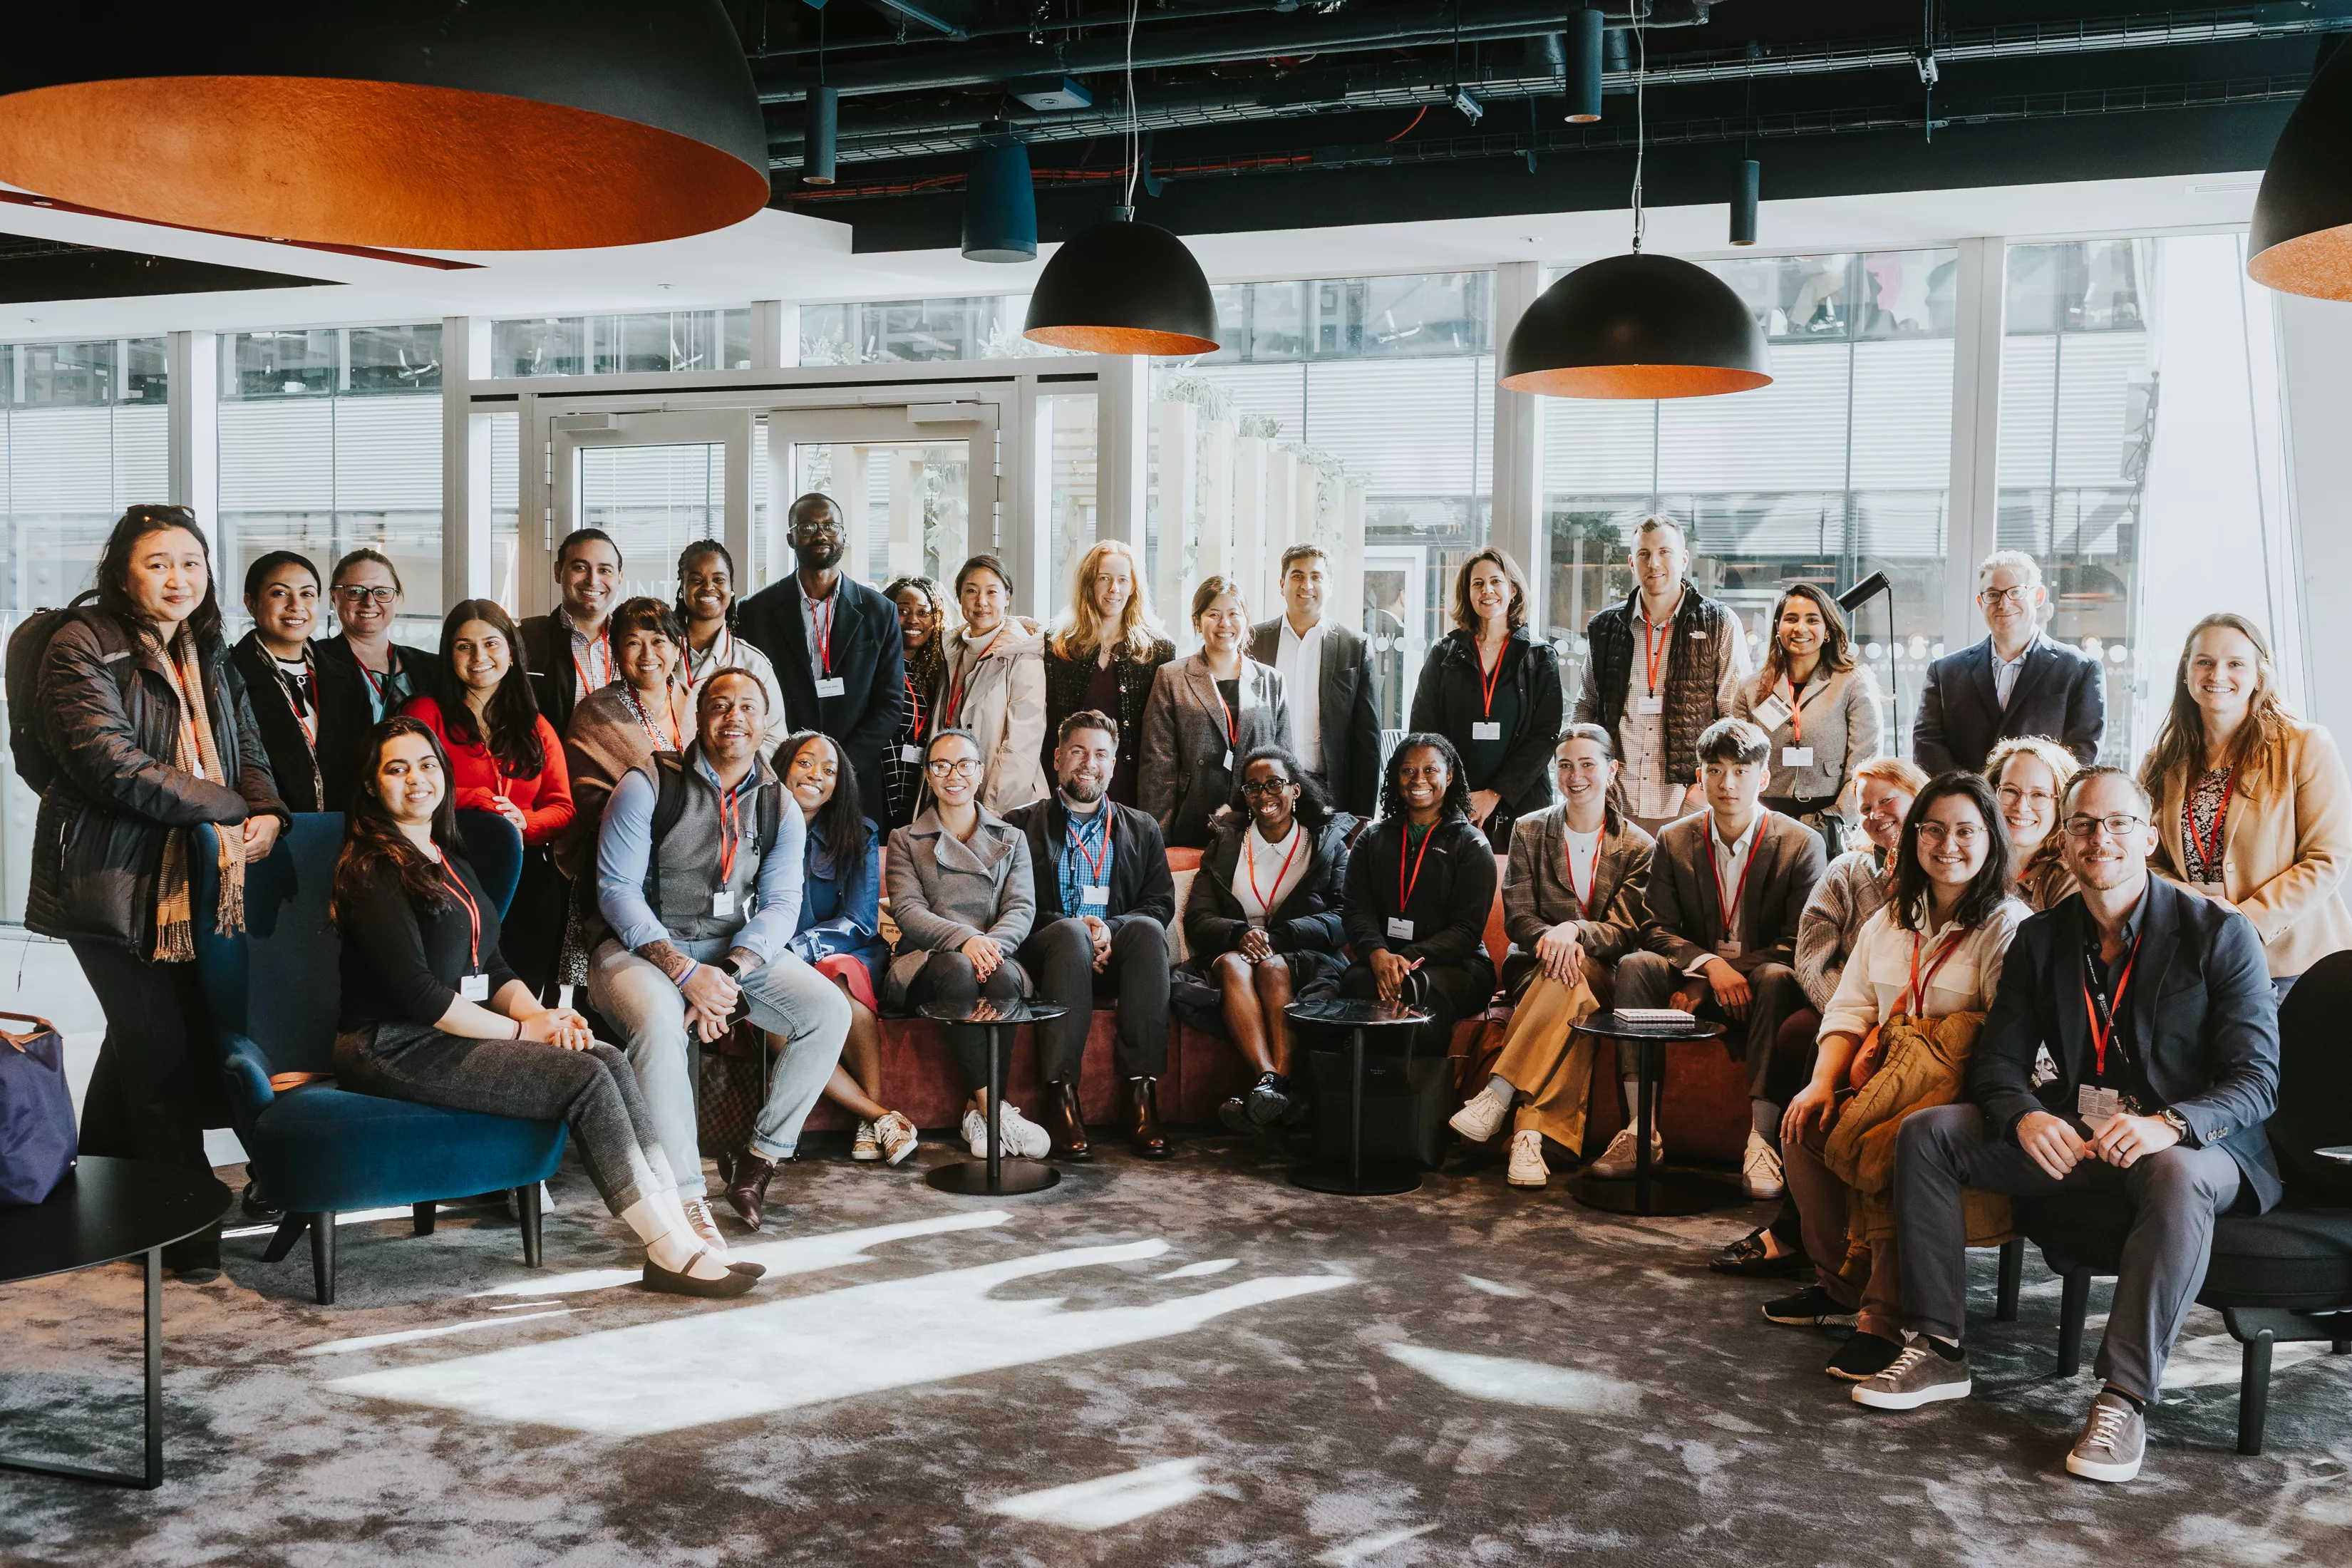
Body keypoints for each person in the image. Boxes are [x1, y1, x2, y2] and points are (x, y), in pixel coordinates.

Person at [1856, 768, 2281, 1488]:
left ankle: (2123, 1397)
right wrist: (2021, 1114)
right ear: (2064, 838)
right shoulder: (2042, 937)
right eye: (2084, 823)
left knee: (2174, 1173)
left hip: (2195, 1144)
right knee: (1928, 1133)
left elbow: (2257, 1081)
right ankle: (1937, 1346)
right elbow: (1999, 1059)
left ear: (2148, 837)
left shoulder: (2221, 933)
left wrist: (2168, 1124)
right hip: (2084, 1130)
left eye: (2117, 823)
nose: (2099, 838)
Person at [333, 717, 758, 1299]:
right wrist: (521, 1034)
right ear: (371, 787)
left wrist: (539, 1017)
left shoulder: (445, 855)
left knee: (604, 1055)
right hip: (392, 1044)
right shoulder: (372, 869)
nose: (417, 779)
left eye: (427, 764)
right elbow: (421, 997)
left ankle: (680, 1230)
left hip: (450, 1031)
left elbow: (495, 967)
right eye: (397, 769)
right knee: (583, 1077)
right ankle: (666, 1249)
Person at [30, 505, 288, 1280]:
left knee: (143, 1044)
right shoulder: (81, 645)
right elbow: (108, 763)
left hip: (195, 882)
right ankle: (185, 1229)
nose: (180, 578)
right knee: (163, 1055)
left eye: (192, 561)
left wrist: (267, 807)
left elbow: (244, 743)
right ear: (120, 571)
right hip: (109, 881)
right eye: (158, 563)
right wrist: (230, 807)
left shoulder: (203, 645)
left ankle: (93, 1192)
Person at [1770, 771, 2028, 1381]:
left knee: (1897, 1136)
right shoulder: (1890, 919)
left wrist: (1900, 1061)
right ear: (1913, 838)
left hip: (1957, 1093)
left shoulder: (2007, 925)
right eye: (1933, 829)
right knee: (1802, 1125)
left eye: (1966, 830)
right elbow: (1851, 1006)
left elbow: (2006, 1037)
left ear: (1991, 839)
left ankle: (1883, 1320)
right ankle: (1842, 1286)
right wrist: (1823, 1080)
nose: (1948, 844)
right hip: (1882, 1077)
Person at [587, 671, 851, 1234]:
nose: (735, 716)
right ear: (698, 716)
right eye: (720, 705)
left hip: (730, 951)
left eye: (748, 707)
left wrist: (726, 975)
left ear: (764, 722)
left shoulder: (778, 803)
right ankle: (685, 1201)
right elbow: (616, 892)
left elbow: (781, 904)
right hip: (638, 949)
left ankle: (760, 1161)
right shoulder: (649, 784)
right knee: (661, 1025)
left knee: (829, 1011)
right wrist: (685, 974)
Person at [1714, 756, 1928, 1280]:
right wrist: (1851, 1019)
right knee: (1812, 1039)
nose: (1876, 816)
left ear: (1919, 800)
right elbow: (1811, 956)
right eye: (1866, 808)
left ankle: (1802, 1231)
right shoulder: (1846, 870)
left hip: (1915, 1019)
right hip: (1845, 1006)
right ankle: (1811, 1224)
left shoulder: (1940, 869)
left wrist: (1886, 1022)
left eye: (1887, 803)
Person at [1610, 718, 1825, 1198]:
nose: (1728, 784)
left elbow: (1801, 941)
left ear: (1763, 778)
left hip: (1765, 990)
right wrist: (1708, 967)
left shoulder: (1801, 843)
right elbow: (1654, 928)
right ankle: (1639, 1131)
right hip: (1698, 979)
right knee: (1634, 965)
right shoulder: (1675, 838)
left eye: (1741, 771)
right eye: (1715, 770)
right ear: (1700, 775)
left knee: (1773, 974)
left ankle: (1761, 1142)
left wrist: (1717, 977)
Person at [1448, 725, 1656, 1190]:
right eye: (1565, 765)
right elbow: (1519, 918)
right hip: (1535, 967)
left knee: (1578, 971)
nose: (1575, 775)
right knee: (1568, 980)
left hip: (1605, 971)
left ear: (1612, 769)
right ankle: (1530, 1135)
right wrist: (1552, 941)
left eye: (1587, 764)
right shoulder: (1529, 829)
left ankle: (1499, 1095)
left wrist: (1573, 930)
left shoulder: (1640, 847)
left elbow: (1624, 930)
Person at [2139, 613, 2352, 1001]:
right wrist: (2197, 910)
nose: (2217, 673)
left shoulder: (2304, 745)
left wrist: (2244, 921)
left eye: (2235, 663)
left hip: (2294, 967)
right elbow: (2146, 856)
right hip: (2197, 958)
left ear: (2259, 675)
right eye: (2204, 661)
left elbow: (2327, 858)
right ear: (2186, 672)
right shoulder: (2162, 759)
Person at [1004, 711, 1179, 1160]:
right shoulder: (1019, 825)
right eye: (1078, 751)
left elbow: (1160, 904)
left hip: (1119, 954)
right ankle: (1060, 1096)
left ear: (1114, 764)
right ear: (1058, 759)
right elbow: (1007, 907)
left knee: (1144, 928)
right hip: (1051, 951)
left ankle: (1140, 1096)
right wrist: (1080, 931)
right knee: (1068, 933)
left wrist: (1109, 929)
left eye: (1101, 753)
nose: (1089, 762)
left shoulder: (1143, 827)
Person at [883, 726, 1046, 1160]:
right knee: (957, 968)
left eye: (964, 764)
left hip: (995, 953)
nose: (952, 774)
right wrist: (966, 939)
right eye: (941, 764)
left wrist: (990, 947)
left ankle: (979, 1113)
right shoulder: (905, 839)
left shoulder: (1011, 837)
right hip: (926, 959)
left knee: (1006, 975)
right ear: (928, 775)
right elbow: (909, 912)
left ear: (979, 773)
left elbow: (1021, 908)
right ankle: (997, 1112)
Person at [1178, 746, 1352, 1144]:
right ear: (1245, 796)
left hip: (1305, 956)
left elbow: (1345, 917)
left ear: (1296, 790)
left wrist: (1281, 937)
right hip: (1236, 950)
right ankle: (1273, 1084)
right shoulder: (1225, 844)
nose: (1264, 795)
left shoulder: (1327, 844)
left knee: (1275, 967)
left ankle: (1270, 1091)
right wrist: (1240, 933)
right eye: (1253, 788)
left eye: (1275, 784)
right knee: (1234, 965)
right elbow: (1198, 919)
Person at [402, 600, 575, 997]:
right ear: (449, 656)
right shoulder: (424, 713)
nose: (479, 657)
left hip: (528, 878)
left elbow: (563, 807)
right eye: (464, 646)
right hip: (446, 869)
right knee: (458, 994)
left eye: (491, 644)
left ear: (512, 653)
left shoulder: (533, 723)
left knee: (524, 994)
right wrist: (472, 799)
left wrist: (524, 822)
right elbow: (398, 790)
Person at [776, 729, 917, 1168]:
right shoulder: (751, 826)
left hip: (846, 952)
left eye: (829, 769)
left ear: (840, 783)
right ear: (783, 766)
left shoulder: (858, 832)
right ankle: (879, 1117)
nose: (815, 774)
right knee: (784, 1026)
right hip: (775, 959)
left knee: (841, 985)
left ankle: (867, 1119)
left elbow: (858, 920)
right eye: (804, 762)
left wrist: (803, 947)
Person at [1572, 515, 1751, 836]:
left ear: (1684, 559)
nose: (1654, 563)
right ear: (1632, 562)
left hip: (1688, 801)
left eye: (1664, 552)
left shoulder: (1720, 622)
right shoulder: (1604, 626)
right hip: (1615, 799)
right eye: (1644, 554)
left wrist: (1702, 792)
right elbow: (1587, 707)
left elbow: (1734, 718)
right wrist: (1587, 779)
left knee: (1684, 887)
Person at [737, 492, 905, 814]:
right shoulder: (755, 612)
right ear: (790, 538)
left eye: (830, 525)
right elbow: (751, 697)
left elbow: (890, 703)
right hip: (780, 775)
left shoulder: (880, 611)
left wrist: (837, 766)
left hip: (855, 777)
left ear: (844, 536)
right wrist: (792, 762)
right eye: (808, 526)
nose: (820, 534)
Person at [1335, 734, 1500, 1061]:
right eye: (1408, 771)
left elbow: (1466, 932)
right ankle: (1362, 1092)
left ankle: (1415, 1097)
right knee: (1354, 980)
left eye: (1430, 770)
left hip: (1458, 966)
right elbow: (1356, 910)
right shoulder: (1371, 839)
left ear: (1449, 776)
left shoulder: (1471, 844)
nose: (1418, 780)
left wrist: (1406, 958)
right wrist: (1378, 954)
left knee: (1417, 988)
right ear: (1396, 777)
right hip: (1385, 959)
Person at [556, 598, 693, 987]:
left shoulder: (697, 702)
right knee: (629, 991)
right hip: (626, 867)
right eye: (633, 642)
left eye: (659, 640)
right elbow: (586, 799)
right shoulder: (595, 712)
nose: (648, 654)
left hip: (695, 869)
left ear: (677, 646)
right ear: (616, 651)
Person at [1408, 547, 1563, 854]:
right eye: (1477, 584)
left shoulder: (1539, 656)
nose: (1487, 590)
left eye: (1496, 581)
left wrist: (1493, 794)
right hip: (1454, 805)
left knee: (1517, 895)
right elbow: (1424, 731)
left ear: (1513, 590)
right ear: (1467, 593)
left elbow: (1546, 736)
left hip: (1522, 803)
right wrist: (1456, 796)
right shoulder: (1444, 654)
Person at [1912, 550, 2103, 775]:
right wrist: (1971, 795)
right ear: (1980, 602)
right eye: (1993, 594)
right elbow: (1927, 743)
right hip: (1965, 805)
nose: (2004, 604)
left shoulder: (2080, 670)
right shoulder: (1945, 671)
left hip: (2039, 806)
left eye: (2016, 592)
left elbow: (2083, 749)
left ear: (2039, 596)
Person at [1140, 576, 1291, 850]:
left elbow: (1284, 763)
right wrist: (1157, 842)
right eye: (1214, 614)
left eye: (1234, 614)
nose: (1225, 624)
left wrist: (1285, 829)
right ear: (1198, 621)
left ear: (1246, 620)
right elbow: (1157, 767)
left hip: (1257, 819)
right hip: (1192, 817)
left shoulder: (1272, 681)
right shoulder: (1172, 677)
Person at [1733, 582, 1883, 860]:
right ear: (1778, 627)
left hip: (1826, 819)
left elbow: (1866, 761)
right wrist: (1744, 813)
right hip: (1764, 818)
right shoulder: (1750, 689)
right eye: (1791, 619)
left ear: (1827, 631)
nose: (1800, 628)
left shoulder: (1852, 683)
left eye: (1812, 619)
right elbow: (1738, 762)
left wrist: (1837, 816)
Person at [1249, 544, 1383, 818]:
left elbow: (1367, 739)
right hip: (1266, 792)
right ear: (1282, 584)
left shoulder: (1354, 646)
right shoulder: (1254, 641)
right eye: (1297, 576)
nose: (1306, 585)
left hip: (1332, 793)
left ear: (1330, 585)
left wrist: (1363, 816)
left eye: (1316, 577)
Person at [1041, 540, 1175, 808]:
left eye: (1123, 579)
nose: (1114, 589)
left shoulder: (1158, 650)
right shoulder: (1058, 644)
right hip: (1068, 780)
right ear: (1089, 583)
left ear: (1133, 586)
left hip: (1130, 784)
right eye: (1104, 578)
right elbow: (1046, 724)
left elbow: (1164, 734)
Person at [314, 546, 439, 808]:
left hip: (418, 802)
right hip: (346, 805)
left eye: (382, 592)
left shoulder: (431, 667)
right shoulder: (314, 662)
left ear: (397, 599)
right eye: (355, 591)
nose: (369, 602)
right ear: (335, 597)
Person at [934, 554, 1048, 815]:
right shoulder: (952, 651)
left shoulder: (1024, 654)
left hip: (1004, 806)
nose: (981, 602)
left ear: (1007, 598)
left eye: (992, 592)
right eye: (971, 591)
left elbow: (1022, 744)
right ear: (960, 597)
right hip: (956, 802)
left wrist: (991, 813)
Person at [232, 550, 329, 813]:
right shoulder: (229, 676)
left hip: (344, 832)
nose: (296, 605)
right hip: (266, 830)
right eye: (279, 593)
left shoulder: (344, 676)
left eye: (307, 594)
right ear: (251, 603)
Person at [674, 540, 786, 752]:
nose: (708, 587)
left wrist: (731, 770)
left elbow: (775, 740)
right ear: (682, 588)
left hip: (729, 783)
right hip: (659, 777)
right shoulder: (657, 653)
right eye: (696, 579)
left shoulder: (753, 663)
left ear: (731, 588)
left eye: (718, 579)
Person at [517, 527, 624, 741]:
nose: (593, 580)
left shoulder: (636, 642)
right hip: (554, 768)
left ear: (619, 578)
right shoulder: (526, 641)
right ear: (558, 572)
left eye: (605, 570)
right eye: (580, 567)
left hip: (627, 770)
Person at [882, 575, 948, 832]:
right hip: (883, 781)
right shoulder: (878, 667)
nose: (913, 620)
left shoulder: (934, 672)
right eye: (903, 611)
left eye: (924, 612)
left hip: (919, 781)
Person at [1986, 735, 2081, 912]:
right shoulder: (1971, 856)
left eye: (2039, 795)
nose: (2021, 807)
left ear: (2063, 805)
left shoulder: (2070, 877)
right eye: (2010, 791)